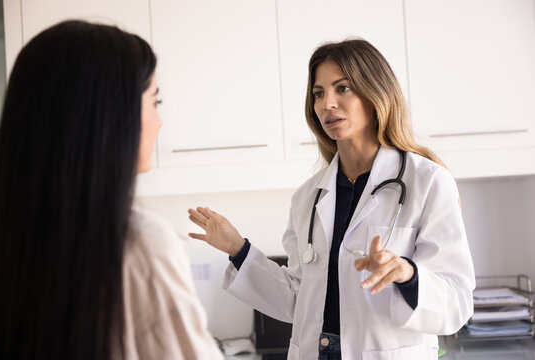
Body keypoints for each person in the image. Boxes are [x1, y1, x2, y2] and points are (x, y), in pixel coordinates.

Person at [188, 39, 475, 360]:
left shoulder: (428, 182)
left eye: (343, 88)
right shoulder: (307, 197)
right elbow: (298, 300)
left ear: (375, 92)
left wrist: (407, 275)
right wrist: (238, 250)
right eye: (319, 93)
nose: (328, 104)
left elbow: (457, 302)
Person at [0, 20, 223, 360]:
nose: (159, 121)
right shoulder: (137, 242)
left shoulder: (14, 241)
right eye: (154, 102)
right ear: (111, 116)